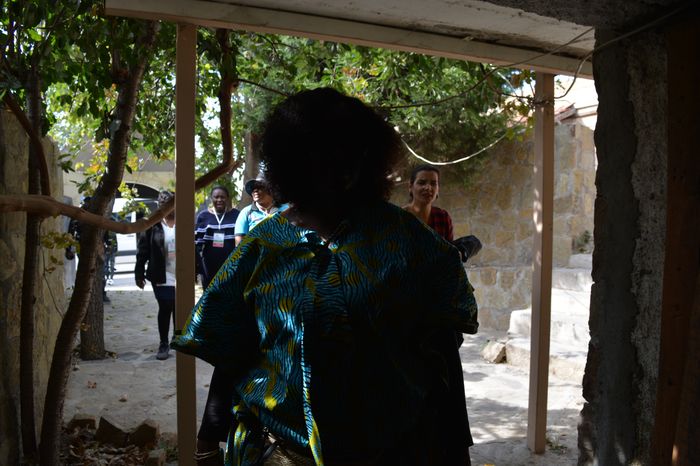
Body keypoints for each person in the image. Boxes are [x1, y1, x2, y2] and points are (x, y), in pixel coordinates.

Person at [172, 88, 478, 465]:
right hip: (276, 453)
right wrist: (207, 442)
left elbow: (443, 360)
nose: (337, 169)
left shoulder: (413, 247)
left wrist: (457, 453)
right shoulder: (263, 246)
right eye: (318, 157)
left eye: (344, 155)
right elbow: (234, 348)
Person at [135, 190, 176, 361]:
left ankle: (178, 339)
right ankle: (164, 343)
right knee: (166, 306)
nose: (165, 207)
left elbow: (193, 246)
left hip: (180, 273)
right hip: (160, 273)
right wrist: (139, 273)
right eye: (162, 204)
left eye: (168, 203)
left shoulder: (185, 221)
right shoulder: (153, 224)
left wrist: (198, 270)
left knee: (179, 307)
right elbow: (143, 250)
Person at [195, 186, 240, 288]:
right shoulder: (203, 216)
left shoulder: (236, 215)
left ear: (227, 198)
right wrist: (197, 267)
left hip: (231, 265)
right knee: (210, 294)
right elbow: (197, 244)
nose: (219, 200)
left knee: (229, 293)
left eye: (222, 197)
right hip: (209, 266)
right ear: (212, 198)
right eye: (216, 197)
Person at [403, 164, 453, 241]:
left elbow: (449, 247)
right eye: (422, 183)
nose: (428, 188)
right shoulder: (399, 218)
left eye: (433, 184)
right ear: (410, 186)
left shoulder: (442, 217)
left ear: (438, 189)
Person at [234, 175, 285, 246]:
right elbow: (239, 244)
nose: (255, 190)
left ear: (270, 189)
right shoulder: (246, 212)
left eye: (259, 187)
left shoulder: (285, 209)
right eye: (253, 188)